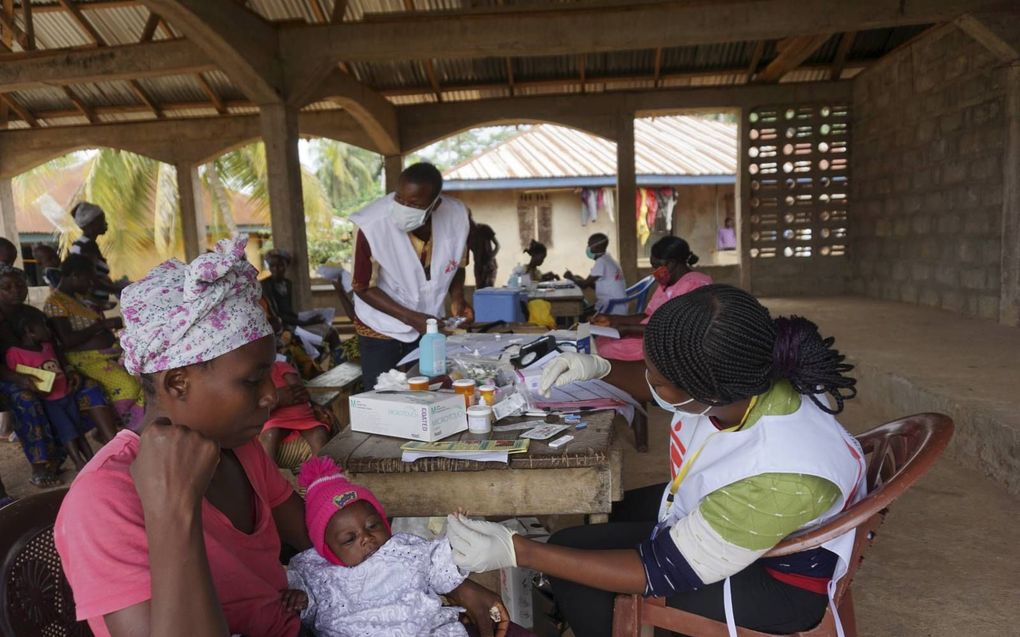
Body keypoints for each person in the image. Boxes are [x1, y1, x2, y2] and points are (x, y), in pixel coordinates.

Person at [446, 285, 866, 637]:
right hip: (750, 525)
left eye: (657, 376)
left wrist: (518, 551)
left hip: (779, 585)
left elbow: (661, 570)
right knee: (604, 515)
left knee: (572, 558)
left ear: (707, 392)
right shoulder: (750, 375)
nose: (647, 380)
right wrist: (600, 367)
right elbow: (668, 384)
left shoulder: (783, 475)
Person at [55, 236, 313, 637]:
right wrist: (174, 510)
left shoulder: (239, 447)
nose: (270, 395)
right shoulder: (104, 498)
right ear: (177, 382)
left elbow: (311, 534)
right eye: (253, 380)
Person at [285, 457, 517, 637]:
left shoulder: (402, 549)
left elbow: (437, 563)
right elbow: (311, 608)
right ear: (327, 549)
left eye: (372, 525)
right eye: (349, 539)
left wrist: (457, 539)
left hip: (423, 629)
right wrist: (300, 600)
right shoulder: (316, 571)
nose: (366, 538)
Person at [350, 162, 473, 390]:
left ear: (435, 204)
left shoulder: (458, 216)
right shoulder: (370, 224)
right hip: (381, 324)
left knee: (429, 389)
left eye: (413, 204)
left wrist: (458, 298)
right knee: (382, 395)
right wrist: (411, 318)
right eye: (399, 199)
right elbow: (362, 286)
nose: (403, 208)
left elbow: (457, 264)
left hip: (428, 323)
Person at [0, 265, 117, 487]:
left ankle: (113, 446)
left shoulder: (34, 315)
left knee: (90, 387)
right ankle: (41, 466)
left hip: (51, 373)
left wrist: (69, 370)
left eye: (19, 285)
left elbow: (56, 348)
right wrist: (21, 379)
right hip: (10, 378)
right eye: (6, 287)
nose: (15, 290)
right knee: (26, 398)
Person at [44, 255, 145, 430]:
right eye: (88, 279)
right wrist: (103, 325)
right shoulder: (55, 302)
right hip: (84, 359)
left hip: (107, 354)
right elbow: (66, 340)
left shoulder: (81, 298)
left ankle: (132, 427)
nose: (91, 284)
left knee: (144, 379)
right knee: (127, 386)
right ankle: (125, 432)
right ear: (75, 275)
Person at [594, 236, 712, 361]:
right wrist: (611, 319)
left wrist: (628, 329)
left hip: (665, 345)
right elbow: (647, 316)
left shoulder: (697, 284)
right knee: (602, 340)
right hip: (648, 336)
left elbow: (680, 330)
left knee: (606, 349)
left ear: (671, 263)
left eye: (657, 266)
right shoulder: (666, 283)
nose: (654, 272)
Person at [5, 306, 93, 470]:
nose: (49, 330)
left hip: (66, 395)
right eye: (44, 326)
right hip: (50, 401)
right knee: (68, 433)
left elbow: (60, 365)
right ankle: (79, 464)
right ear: (30, 331)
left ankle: (91, 460)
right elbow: (21, 378)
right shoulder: (15, 354)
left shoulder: (47, 347)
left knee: (78, 430)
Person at [262, 249, 341, 363]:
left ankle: (338, 365)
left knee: (331, 331)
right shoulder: (265, 285)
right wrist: (306, 322)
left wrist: (307, 318)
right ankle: (332, 365)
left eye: (280, 265)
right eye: (272, 266)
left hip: (293, 323)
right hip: (282, 328)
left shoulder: (287, 284)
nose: (276, 269)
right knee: (328, 334)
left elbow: (288, 311)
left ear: (286, 266)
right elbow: (276, 315)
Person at [258, 360, 331, 463]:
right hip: (276, 417)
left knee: (319, 434)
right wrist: (277, 399)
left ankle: (320, 473)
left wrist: (311, 402)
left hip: (301, 415)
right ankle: (268, 474)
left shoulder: (280, 366)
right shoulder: (252, 375)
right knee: (269, 435)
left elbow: (299, 390)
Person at [68, 202, 127, 309]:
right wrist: (118, 289)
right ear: (91, 224)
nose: (106, 224)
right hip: (90, 305)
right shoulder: (88, 246)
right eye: (102, 221)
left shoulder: (80, 244)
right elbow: (90, 279)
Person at [564, 233, 627, 315]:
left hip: (611, 307)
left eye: (589, 244)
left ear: (597, 247)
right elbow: (598, 285)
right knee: (583, 311)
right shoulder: (608, 258)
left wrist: (571, 277)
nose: (588, 247)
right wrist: (584, 281)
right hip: (618, 305)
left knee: (578, 315)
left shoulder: (601, 262)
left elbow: (584, 285)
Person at [469, 223, 500, 290]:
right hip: (478, 266)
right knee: (480, 289)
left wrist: (491, 257)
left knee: (489, 289)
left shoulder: (484, 228)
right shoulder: (467, 234)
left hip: (489, 265)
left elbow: (497, 245)